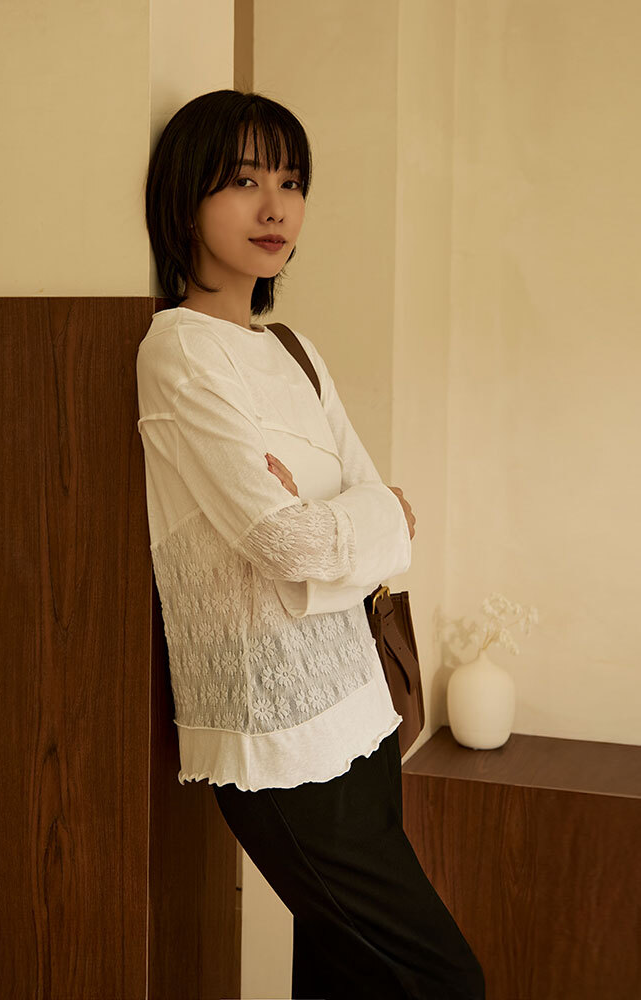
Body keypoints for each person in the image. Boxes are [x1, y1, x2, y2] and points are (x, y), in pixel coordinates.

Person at [138, 89, 485, 1000]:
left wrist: (350, 517)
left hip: (363, 708)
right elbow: (292, 543)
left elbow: (389, 512)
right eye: (243, 180)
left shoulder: (293, 349)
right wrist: (350, 519)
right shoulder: (179, 352)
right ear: (185, 198)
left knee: (345, 979)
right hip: (276, 739)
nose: (275, 207)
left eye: (291, 183)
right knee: (445, 980)